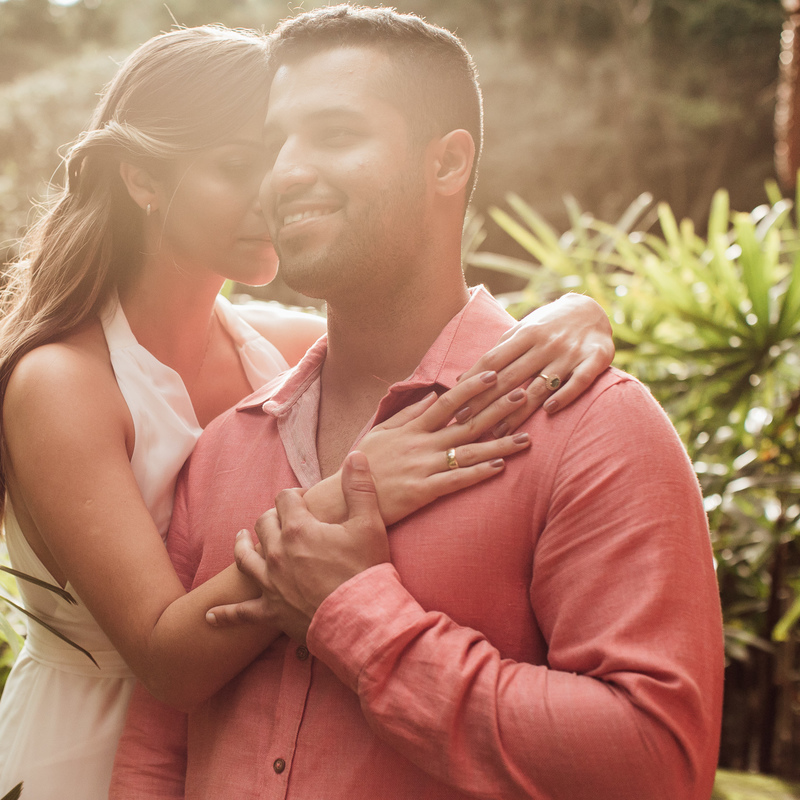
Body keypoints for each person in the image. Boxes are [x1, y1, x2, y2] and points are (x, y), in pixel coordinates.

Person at [0, 23, 616, 800]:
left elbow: (438, 334)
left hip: (226, 756)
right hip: (83, 758)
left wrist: (573, 311)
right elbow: (165, 657)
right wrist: (363, 484)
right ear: (143, 179)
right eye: (238, 166)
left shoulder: (281, 346)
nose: (274, 189)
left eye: (280, 157)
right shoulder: (62, 382)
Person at [110, 7, 724, 800]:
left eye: (333, 135)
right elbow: (159, 746)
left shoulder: (592, 427)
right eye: (271, 146)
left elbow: (654, 765)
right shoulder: (226, 446)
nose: (285, 173)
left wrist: (357, 615)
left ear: (447, 163)